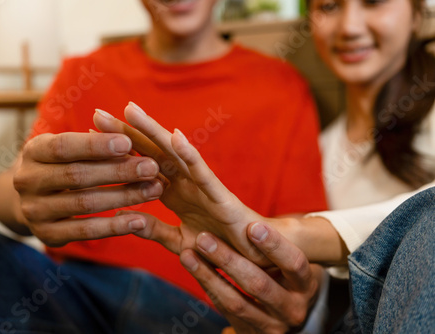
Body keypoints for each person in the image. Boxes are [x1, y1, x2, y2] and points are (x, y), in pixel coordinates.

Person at [0, 0, 327, 332]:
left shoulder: (280, 88)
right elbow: (11, 186)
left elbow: (305, 244)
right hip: (69, 295)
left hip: (198, 311)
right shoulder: (82, 73)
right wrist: (23, 202)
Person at [90, 0, 434, 331]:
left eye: (374, 2)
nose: (350, 27)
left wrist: (300, 232)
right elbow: (316, 307)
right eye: (329, 6)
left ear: (418, 12)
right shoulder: (322, 153)